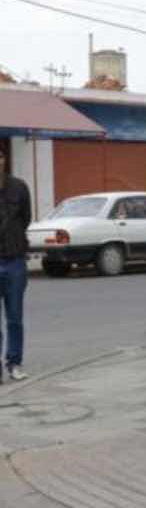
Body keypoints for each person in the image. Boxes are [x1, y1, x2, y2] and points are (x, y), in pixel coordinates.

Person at [0, 147, 31, 383]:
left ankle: (15, 363)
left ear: (4, 159)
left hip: (14, 262)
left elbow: (26, 219)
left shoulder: (19, 187)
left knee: (14, 317)